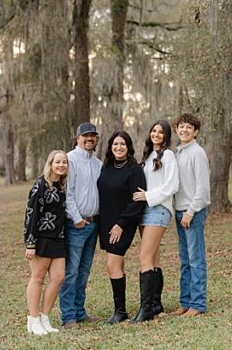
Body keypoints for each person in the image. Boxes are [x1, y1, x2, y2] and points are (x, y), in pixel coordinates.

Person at [96, 131, 147, 324]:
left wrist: (120, 224)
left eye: (122, 144)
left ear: (129, 147)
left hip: (123, 223)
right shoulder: (107, 167)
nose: (118, 147)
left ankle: (120, 311)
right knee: (117, 264)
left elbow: (137, 202)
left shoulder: (135, 170)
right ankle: (121, 309)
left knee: (112, 264)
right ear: (110, 146)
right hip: (106, 222)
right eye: (115, 144)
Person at [130, 120, 178, 323]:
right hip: (145, 210)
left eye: (161, 132)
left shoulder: (168, 155)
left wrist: (148, 196)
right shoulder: (149, 156)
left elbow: (172, 185)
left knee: (144, 257)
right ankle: (156, 305)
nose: (156, 134)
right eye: (154, 131)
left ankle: (146, 309)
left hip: (158, 209)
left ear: (166, 136)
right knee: (153, 259)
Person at [59, 122, 102, 329]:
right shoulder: (70, 160)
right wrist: (76, 218)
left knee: (84, 271)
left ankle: (80, 311)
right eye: (86, 135)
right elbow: (68, 193)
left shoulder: (98, 163)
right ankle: (68, 316)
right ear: (78, 138)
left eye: (93, 136)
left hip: (94, 223)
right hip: (76, 225)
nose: (90, 139)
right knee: (71, 271)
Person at [23, 150, 69, 335]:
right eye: (58, 162)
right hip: (41, 238)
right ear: (50, 163)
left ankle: (44, 317)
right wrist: (30, 243)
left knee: (58, 277)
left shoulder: (62, 186)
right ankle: (33, 320)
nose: (61, 165)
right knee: (38, 278)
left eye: (64, 162)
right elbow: (31, 214)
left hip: (59, 238)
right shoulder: (40, 185)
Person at [172, 113, 211, 317]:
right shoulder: (178, 152)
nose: (184, 130)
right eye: (181, 127)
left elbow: (203, 190)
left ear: (195, 132)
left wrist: (189, 212)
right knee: (185, 260)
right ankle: (185, 302)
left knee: (196, 260)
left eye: (189, 127)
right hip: (180, 211)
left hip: (192, 212)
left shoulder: (197, 153)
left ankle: (198, 304)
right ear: (177, 129)